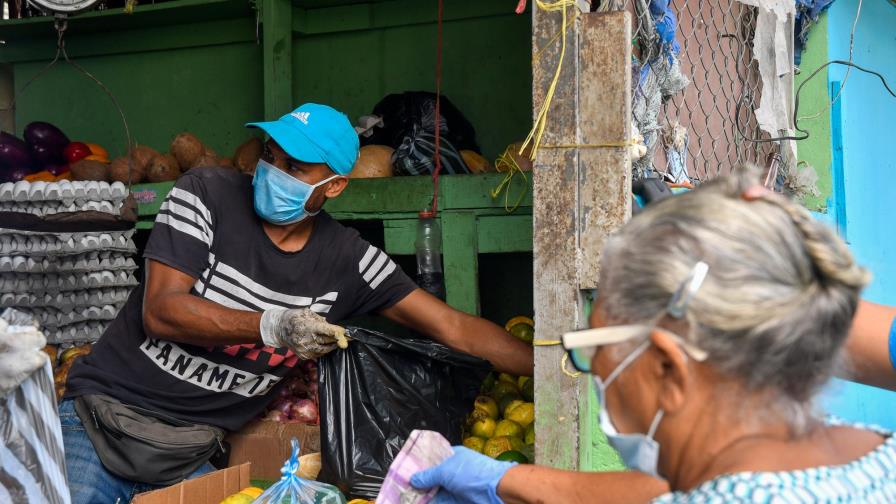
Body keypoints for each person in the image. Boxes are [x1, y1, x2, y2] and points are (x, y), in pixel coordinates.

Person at [59, 103, 534, 503]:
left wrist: (558, 364)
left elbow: (455, 329)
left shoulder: (348, 260)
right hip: (99, 424)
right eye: (271, 156)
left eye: (295, 168)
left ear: (333, 186)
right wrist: (275, 326)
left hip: (188, 456)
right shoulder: (205, 194)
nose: (273, 173)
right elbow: (162, 311)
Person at [411, 166, 896, 503]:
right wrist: (512, 482)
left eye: (594, 352)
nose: (595, 375)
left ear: (667, 367)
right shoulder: (874, 453)